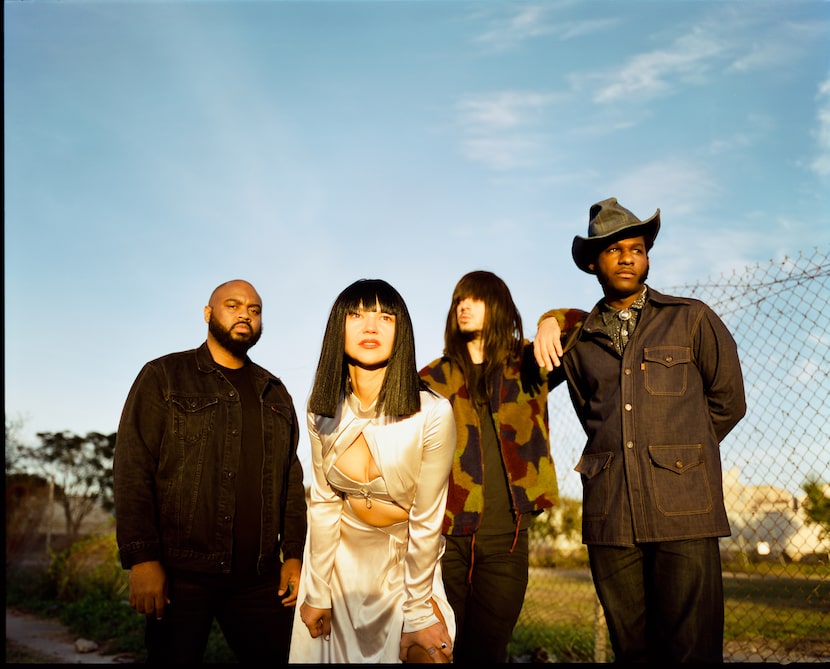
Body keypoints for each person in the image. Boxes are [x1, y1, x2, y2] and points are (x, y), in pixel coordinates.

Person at [534, 198, 747, 663]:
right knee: (632, 649)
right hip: (611, 513)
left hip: (685, 509)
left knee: (692, 648)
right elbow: (520, 381)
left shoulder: (691, 318)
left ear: (648, 255)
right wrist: (546, 319)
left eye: (636, 248)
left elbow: (729, 402)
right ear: (593, 263)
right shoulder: (576, 340)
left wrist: (679, 458)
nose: (628, 257)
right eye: (614, 251)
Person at [113, 279, 307, 664]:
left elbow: (291, 481)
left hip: (258, 579)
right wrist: (142, 558)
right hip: (181, 576)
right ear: (208, 313)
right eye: (233, 305)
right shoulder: (164, 376)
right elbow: (133, 466)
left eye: (254, 309)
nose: (244, 315)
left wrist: (295, 556)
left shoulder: (275, 392)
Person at [418, 270, 585, 663]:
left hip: (507, 537)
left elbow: (586, 322)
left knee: (491, 649)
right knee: (444, 649)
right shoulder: (431, 378)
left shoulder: (528, 364)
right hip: (446, 537)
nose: (464, 306)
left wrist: (550, 322)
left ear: (499, 308)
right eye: (460, 299)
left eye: (475, 299)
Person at [288, 279, 457, 664]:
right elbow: (324, 506)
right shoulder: (320, 410)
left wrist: (416, 611)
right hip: (339, 567)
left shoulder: (431, 413)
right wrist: (317, 593)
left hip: (406, 563)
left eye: (385, 317)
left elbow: (428, 522)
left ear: (402, 332)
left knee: (430, 654)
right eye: (356, 315)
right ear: (338, 328)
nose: (370, 326)